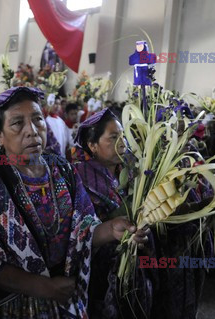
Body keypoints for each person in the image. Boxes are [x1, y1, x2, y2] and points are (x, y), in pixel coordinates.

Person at [0, 86, 148, 318]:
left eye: (37, 119)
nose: (32, 131)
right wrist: (43, 287)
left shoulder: (61, 168)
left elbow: (83, 231)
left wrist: (110, 230)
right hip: (11, 306)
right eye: (17, 123)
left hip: (64, 298)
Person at [72, 108, 154, 318]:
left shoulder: (131, 172)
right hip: (97, 270)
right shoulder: (79, 176)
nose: (122, 142)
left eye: (123, 136)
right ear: (92, 145)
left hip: (130, 263)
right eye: (113, 137)